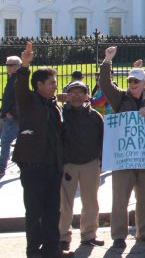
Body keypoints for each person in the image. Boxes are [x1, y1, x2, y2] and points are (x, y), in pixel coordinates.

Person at [99, 46, 145, 249]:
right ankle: (119, 235)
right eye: (130, 81)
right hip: (124, 157)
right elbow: (105, 84)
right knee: (120, 198)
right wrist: (107, 61)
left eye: (136, 81)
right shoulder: (120, 98)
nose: (132, 84)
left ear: (144, 83)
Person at [13, 42, 72, 258]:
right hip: (33, 166)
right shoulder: (28, 100)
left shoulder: (53, 104)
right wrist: (25, 65)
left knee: (52, 212)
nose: (55, 86)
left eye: (55, 83)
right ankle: (34, 251)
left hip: (52, 166)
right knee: (35, 212)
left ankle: (52, 249)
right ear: (38, 84)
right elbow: (19, 86)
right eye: (51, 83)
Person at [58, 81, 104, 251]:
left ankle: (89, 235)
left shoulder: (95, 116)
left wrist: (100, 160)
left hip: (90, 163)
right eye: (72, 92)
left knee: (91, 202)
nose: (76, 96)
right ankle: (63, 236)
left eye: (80, 92)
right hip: (68, 164)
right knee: (65, 204)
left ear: (86, 95)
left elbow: (102, 138)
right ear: (67, 95)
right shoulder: (60, 114)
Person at [0, 55, 21, 179]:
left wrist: (11, 113)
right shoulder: (12, 78)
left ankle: (1, 168)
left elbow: (20, 99)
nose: (7, 67)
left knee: (5, 141)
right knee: (14, 141)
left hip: (13, 118)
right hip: (10, 116)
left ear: (18, 67)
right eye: (7, 64)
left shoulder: (17, 80)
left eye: (10, 65)